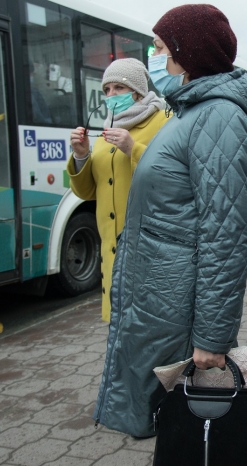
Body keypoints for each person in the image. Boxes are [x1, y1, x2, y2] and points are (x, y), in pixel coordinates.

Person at [94, 4, 247, 438]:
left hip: (177, 302)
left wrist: (212, 335)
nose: (159, 61)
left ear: (191, 53)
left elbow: (225, 235)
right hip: (160, 293)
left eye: (163, 50)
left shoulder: (219, 116)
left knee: (183, 422)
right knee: (165, 421)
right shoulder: (192, 111)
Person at [67, 58, 168, 322]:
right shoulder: (108, 128)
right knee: (121, 336)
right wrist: (81, 156)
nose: (110, 95)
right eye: (106, 90)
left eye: (118, 89)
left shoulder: (162, 121)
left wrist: (132, 148)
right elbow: (88, 191)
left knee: (149, 333)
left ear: (136, 91)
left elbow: (172, 178)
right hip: (112, 255)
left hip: (149, 250)